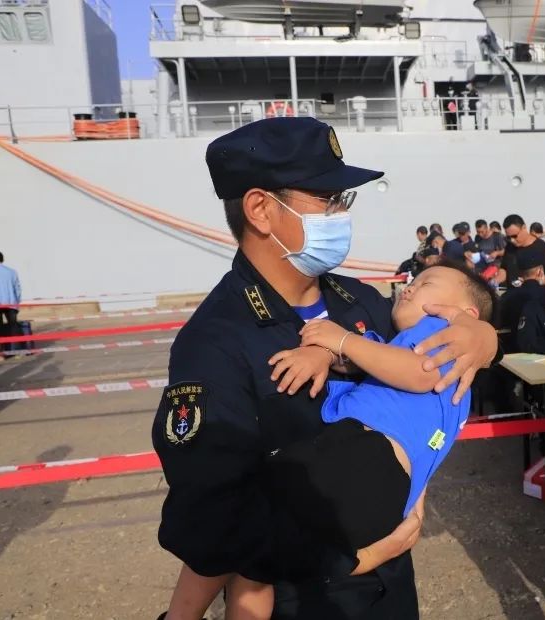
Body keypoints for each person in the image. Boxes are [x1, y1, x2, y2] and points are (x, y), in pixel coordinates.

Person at [152, 117, 498, 620]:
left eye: (343, 199)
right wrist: (359, 559)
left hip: (392, 595)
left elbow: (425, 371)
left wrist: (483, 339)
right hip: (306, 598)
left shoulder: (361, 300)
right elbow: (213, 520)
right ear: (261, 210)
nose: (342, 213)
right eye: (327, 198)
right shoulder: (216, 342)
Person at [226, 263, 496, 618]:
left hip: (366, 458)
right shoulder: (399, 343)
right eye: (412, 282)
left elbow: (419, 373)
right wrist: (328, 353)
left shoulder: (442, 333)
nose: (410, 288)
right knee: (259, 558)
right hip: (381, 480)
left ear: (465, 314)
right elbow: (363, 362)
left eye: (426, 283)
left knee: (244, 532)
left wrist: (342, 340)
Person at [496, 245, 545, 350]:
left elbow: (499, 322)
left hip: (515, 348)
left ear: (519, 273)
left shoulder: (508, 296)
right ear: (540, 271)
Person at [499, 215, 545, 286]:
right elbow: (504, 268)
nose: (512, 240)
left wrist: (533, 282)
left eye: (514, 236)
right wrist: (495, 281)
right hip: (512, 291)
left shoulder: (541, 248)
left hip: (533, 291)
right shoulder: (510, 247)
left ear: (524, 228)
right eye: (508, 237)